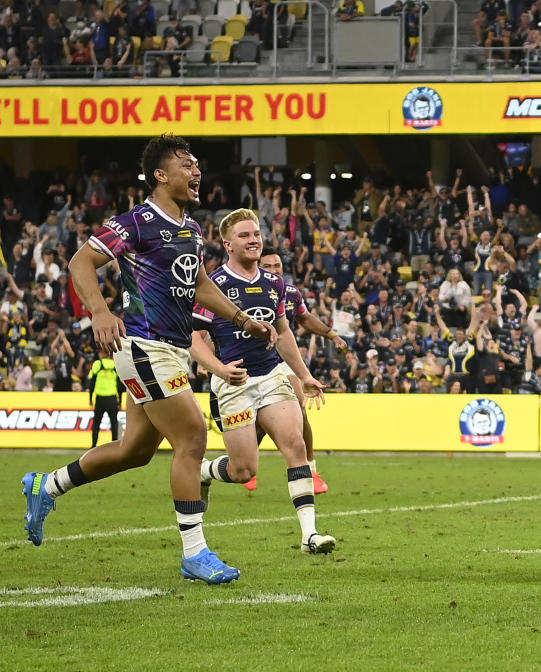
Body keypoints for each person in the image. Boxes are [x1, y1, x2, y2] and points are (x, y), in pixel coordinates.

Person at [21, 135, 276, 585]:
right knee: (193, 434)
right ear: (161, 175)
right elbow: (81, 262)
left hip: (172, 351)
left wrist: (241, 318)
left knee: (135, 451)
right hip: (143, 346)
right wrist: (100, 311)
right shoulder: (137, 222)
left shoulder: (191, 230)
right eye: (186, 164)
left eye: (197, 164)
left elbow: (198, 284)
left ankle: (48, 485)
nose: (196, 171)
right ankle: (195, 553)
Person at [190, 210, 334, 555]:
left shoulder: (275, 284)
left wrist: (304, 376)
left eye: (256, 234)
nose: (253, 239)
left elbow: (283, 333)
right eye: (244, 235)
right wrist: (218, 369)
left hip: (271, 376)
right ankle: (205, 472)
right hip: (233, 382)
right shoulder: (213, 285)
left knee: (295, 444)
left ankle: (309, 535)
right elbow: (193, 336)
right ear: (227, 244)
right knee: (242, 470)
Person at [247, 246, 348, 493]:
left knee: (300, 409)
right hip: (251, 362)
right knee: (258, 423)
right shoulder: (242, 290)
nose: (273, 270)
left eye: (277, 266)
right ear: (258, 266)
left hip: (282, 360)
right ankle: (249, 466)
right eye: (268, 266)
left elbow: (304, 318)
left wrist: (331, 333)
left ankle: (312, 471)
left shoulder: (289, 292)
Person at [88, 354, 122, 448]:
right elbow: (120, 385)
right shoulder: (115, 365)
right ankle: (115, 446)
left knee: (96, 423)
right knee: (114, 423)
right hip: (112, 399)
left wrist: (90, 398)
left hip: (100, 399)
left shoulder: (97, 364)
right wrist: (120, 401)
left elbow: (92, 383)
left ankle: (93, 445)